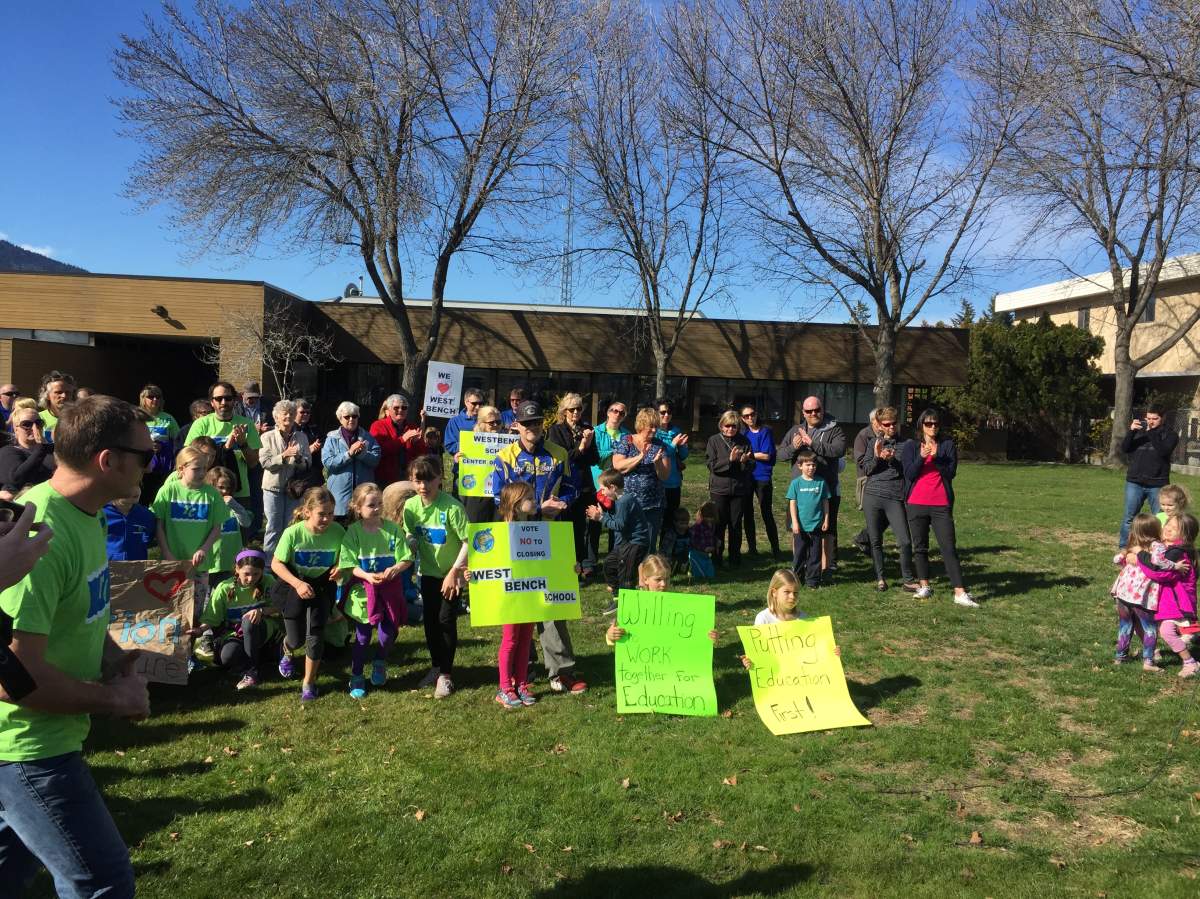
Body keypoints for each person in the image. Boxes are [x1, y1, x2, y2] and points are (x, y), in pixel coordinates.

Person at [0, 395, 152, 898]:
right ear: (108, 461)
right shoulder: (38, 536)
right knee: (101, 881)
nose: (152, 466)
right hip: (27, 747)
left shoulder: (88, 514)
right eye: (145, 456)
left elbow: (82, 608)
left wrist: (114, 657)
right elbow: (13, 677)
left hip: (41, 741)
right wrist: (115, 700)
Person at [489, 400, 586, 694]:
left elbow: (572, 486)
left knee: (551, 601)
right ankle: (521, 671)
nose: (532, 427)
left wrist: (562, 502)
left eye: (536, 422)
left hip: (551, 534)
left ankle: (561, 671)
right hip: (516, 536)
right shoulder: (504, 457)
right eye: (526, 423)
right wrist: (534, 509)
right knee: (519, 604)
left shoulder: (558, 454)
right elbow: (498, 496)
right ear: (517, 425)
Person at [403, 456, 470, 699]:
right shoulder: (410, 506)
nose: (423, 486)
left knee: (445, 620)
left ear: (440, 478)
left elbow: (468, 542)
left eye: (429, 480)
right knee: (430, 622)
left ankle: (446, 675)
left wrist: (455, 571)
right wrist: (409, 544)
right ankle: (435, 666)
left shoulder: (452, 507)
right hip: (427, 574)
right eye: (418, 481)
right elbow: (410, 533)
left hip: (451, 574)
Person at [339, 483, 414, 699]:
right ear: (358, 507)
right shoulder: (353, 532)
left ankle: (380, 661)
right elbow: (348, 563)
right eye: (371, 505)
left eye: (379, 503)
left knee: (388, 632)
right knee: (362, 637)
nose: (377, 508)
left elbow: (406, 558)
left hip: (390, 589)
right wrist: (366, 576)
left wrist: (394, 569)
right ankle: (356, 674)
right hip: (364, 590)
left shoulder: (393, 529)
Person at [271, 486, 346, 703]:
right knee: (297, 639)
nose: (327, 519)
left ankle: (308, 682)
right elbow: (276, 564)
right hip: (295, 584)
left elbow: (346, 557)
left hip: (322, 587)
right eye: (321, 514)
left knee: (315, 636)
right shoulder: (293, 533)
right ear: (307, 512)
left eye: (331, 513)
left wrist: (341, 567)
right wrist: (297, 584)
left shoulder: (338, 531)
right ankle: (287, 648)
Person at [900, 409, 977, 607]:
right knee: (920, 547)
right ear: (921, 425)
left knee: (948, 547)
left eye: (935, 423)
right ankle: (924, 586)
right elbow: (909, 474)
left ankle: (959, 592)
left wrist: (936, 458)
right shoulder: (911, 446)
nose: (933, 427)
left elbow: (951, 473)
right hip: (916, 503)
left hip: (940, 504)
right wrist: (921, 457)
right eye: (928, 423)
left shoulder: (947, 445)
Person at [194, 550, 280, 691]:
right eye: (247, 574)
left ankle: (252, 672)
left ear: (262, 572)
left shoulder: (268, 581)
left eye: (256, 574)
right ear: (237, 569)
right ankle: (264, 655)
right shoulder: (224, 588)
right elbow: (212, 617)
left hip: (262, 629)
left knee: (248, 621)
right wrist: (200, 630)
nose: (251, 579)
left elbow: (281, 605)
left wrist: (262, 611)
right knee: (227, 657)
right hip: (235, 633)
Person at [152, 446, 226, 607]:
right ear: (182, 469)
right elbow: (159, 525)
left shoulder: (212, 494)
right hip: (173, 561)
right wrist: (167, 553)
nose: (202, 473)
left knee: (196, 607)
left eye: (204, 468)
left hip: (199, 564)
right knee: (171, 606)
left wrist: (204, 549)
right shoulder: (168, 490)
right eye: (196, 469)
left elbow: (217, 527)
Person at [855, 406, 917, 593]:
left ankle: (908, 580)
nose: (891, 427)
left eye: (893, 423)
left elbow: (910, 471)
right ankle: (880, 578)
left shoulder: (907, 444)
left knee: (905, 541)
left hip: (894, 497)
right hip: (872, 495)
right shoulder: (873, 442)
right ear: (880, 425)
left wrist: (892, 460)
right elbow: (866, 469)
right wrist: (877, 456)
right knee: (875, 540)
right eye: (887, 424)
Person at [778, 395, 845, 568]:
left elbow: (839, 450)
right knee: (797, 529)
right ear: (803, 413)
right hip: (800, 491)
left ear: (822, 410)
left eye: (817, 410)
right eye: (809, 411)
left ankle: (826, 568)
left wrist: (813, 443)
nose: (813, 413)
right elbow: (780, 455)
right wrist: (793, 447)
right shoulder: (795, 430)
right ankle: (799, 566)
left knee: (826, 530)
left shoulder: (834, 429)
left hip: (825, 489)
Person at [492, 482, 542, 710]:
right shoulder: (499, 532)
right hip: (509, 595)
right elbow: (488, 562)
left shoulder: (535, 529)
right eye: (530, 498)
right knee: (511, 640)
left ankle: (521, 684)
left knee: (525, 639)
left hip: (529, 592)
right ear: (516, 503)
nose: (535, 500)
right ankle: (505, 687)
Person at [1137, 512, 1199, 677]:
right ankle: (1156, 651)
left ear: (1185, 536)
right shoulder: (1169, 548)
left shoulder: (1177, 552)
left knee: (1166, 631)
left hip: (1177, 603)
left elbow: (1159, 573)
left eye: (1175, 528)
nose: (1168, 529)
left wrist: (1140, 555)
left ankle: (1190, 662)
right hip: (1171, 602)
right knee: (1157, 628)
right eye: (1168, 525)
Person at [548, 393, 599, 578]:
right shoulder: (556, 430)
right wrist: (581, 447)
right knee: (565, 526)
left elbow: (595, 459)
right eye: (572, 409)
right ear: (564, 411)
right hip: (565, 485)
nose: (576, 412)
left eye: (579, 408)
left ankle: (583, 562)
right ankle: (566, 564)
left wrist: (588, 445)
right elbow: (562, 457)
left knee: (581, 527)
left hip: (585, 484)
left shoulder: (588, 429)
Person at [188, 381, 262, 508]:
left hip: (238, 492)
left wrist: (242, 443)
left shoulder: (247, 424)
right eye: (218, 399)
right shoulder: (201, 424)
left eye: (228, 398)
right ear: (212, 402)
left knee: (239, 522)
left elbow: (253, 463)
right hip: (205, 489)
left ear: (235, 400)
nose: (223, 402)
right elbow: (191, 458)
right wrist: (225, 447)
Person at [587, 469, 650, 616]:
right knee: (609, 564)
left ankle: (629, 606)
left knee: (626, 574)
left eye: (603, 489)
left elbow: (619, 525)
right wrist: (604, 514)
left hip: (635, 543)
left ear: (612, 487)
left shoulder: (624, 501)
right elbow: (619, 521)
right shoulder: (620, 501)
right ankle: (618, 597)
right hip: (627, 543)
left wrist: (600, 518)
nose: (602, 492)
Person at [1111, 514, 1168, 670]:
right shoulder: (1157, 546)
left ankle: (1120, 657)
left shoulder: (1133, 545)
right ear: (1155, 529)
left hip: (1124, 593)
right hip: (1143, 595)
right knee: (1149, 628)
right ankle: (1148, 661)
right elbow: (1157, 563)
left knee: (1125, 625)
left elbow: (1117, 560)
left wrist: (1126, 555)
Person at [1119, 405, 1179, 548]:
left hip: (1157, 484)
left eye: (1155, 419)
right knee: (1129, 518)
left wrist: (1151, 432)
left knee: (1161, 518)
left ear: (1162, 418)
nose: (1151, 421)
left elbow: (1163, 451)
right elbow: (1125, 449)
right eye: (1148, 418)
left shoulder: (1170, 435)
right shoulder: (1139, 432)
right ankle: (1124, 548)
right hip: (1135, 482)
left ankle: (1161, 548)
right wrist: (1131, 432)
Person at [612, 408, 671, 551]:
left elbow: (664, 476)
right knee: (623, 542)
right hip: (627, 503)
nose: (654, 430)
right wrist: (640, 457)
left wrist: (657, 463)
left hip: (652, 504)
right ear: (641, 425)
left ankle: (645, 566)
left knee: (648, 545)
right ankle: (623, 565)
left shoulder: (660, 446)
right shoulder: (627, 441)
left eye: (656, 426)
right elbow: (618, 466)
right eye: (651, 426)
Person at [260, 400, 311, 554]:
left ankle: (287, 559)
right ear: (276, 417)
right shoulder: (266, 437)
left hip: (294, 490)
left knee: (291, 526)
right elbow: (265, 463)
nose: (288, 416)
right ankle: (268, 561)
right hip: (273, 488)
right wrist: (284, 456)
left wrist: (299, 459)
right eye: (285, 413)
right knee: (273, 526)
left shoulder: (302, 437)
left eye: (292, 413)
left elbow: (308, 463)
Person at [705, 410, 754, 567]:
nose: (730, 429)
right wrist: (729, 460)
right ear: (721, 425)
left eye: (734, 426)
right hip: (719, 490)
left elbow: (752, 465)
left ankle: (734, 559)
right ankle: (717, 559)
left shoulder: (744, 441)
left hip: (739, 490)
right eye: (727, 426)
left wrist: (745, 461)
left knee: (735, 525)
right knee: (719, 525)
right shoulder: (713, 441)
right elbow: (711, 465)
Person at [321, 402, 382, 520]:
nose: (351, 419)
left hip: (364, 499)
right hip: (339, 500)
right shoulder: (331, 439)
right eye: (347, 417)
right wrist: (349, 454)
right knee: (339, 529)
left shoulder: (368, 437)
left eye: (354, 416)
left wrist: (362, 454)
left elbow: (376, 460)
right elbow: (328, 463)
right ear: (340, 419)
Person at [787, 450, 831, 588]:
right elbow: (792, 503)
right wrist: (795, 522)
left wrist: (826, 519)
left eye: (813, 465)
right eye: (808, 465)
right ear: (800, 466)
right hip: (800, 527)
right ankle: (797, 579)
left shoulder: (821, 482)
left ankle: (813, 581)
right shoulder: (796, 483)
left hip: (816, 525)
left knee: (815, 555)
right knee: (799, 554)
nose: (811, 468)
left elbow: (825, 502)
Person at [740, 404, 780, 556]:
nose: (750, 418)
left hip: (762, 477)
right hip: (747, 477)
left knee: (766, 512)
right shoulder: (743, 434)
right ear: (742, 419)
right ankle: (752, 549)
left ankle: (775, 549)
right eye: (746, 416)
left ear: (757, 414)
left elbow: (766, 455)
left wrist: (748, 455)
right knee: (748, 513)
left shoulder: (765, 431)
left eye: (752, 414)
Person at [205, 466, 251, 584]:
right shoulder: (206, 506)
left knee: (228, 592)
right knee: (209, 594)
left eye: (228, 488)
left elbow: (246, 522)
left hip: (231, 563)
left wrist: (234, 505)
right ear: (211, 486)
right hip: (211, 563)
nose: (225, 491)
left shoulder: (233, 507)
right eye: (221, 487)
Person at [654, 399, 690, 550]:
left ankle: (665, 552)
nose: (666, 415)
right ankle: (650, 553)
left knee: (670, 521)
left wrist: (683, 446)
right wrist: (673, 444)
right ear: (656, 413)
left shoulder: (676, 430)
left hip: (674, 482)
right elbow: (658, 454)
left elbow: (683, 456)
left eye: (669, 412)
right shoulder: (653, 431)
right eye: (662, 412)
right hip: (657, 482)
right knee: (656, 520)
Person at [461, 404, 506, 523]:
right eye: (491, 423)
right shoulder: (470, 441)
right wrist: (459, 459)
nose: (496, 425)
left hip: (501, 494)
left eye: (498, 422)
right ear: (481, 423)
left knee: (500, 529)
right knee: (476, 527)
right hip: (478, 492)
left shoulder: (508, 441)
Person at [0, 403, 55, 497]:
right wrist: (41, 448)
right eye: (27, 424)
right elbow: (16, 480)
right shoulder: (8, 452)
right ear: (16, 429)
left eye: (38, 423)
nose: (34, 428)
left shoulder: (52, 450)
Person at [137, 384, 179, 506]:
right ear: (143, 399)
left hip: (162, 467)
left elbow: (178, 441)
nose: (155, 399)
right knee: (142, 499)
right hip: (142, 466)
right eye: (151, 397)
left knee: (159, 498)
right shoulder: (137, 416)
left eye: (158, 397)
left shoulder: (168, 418)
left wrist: (163, 446)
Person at [370, 394, 414, 487]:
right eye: (396, 408)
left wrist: (417, 443)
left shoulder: (412, 427)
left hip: (408, 477)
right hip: (385, 479)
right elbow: (379, 451)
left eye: (404, 408)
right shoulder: (378, 425)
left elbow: (421, 454)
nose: (400, 410)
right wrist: (402, 439)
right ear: (388, 410)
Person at [104, 485, 157, 562]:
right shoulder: (102, 513)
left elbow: (150, 537)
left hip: (138, 566)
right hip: (107, 566)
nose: (136, 490)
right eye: (129, 485)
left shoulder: (146, 515)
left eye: (138, 484)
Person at [591, 400, 630, 498]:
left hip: (618, 481)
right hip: (599, 480)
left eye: (622, 413)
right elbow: (595, 455)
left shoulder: (627, 435)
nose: (618, 414)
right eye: (615, 411)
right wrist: (614, 452)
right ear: (608, 412)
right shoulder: (596, 432)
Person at [443, 388, 483, 473]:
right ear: (466, 402)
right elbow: (450, 445)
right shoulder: (455, 421)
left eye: (480, 403)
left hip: (484, 468)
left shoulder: (487, 420)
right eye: (474, 403)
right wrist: (471, 444)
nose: (478, 407)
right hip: (462, 467)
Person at [36, 370, 76, 444]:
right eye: (58, 392)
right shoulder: (38, 418)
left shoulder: (79, 419)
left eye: (68, 392)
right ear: (47, 395)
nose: (64, 396)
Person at [689, 501, 717, 579]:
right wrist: (703, 548)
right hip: (696, 553)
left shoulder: (712, 525)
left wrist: (716, 541)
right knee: (699, 574)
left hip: (706, 554)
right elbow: (693, 541)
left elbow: (711, 537)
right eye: (707, 516)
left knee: (711, 574)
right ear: (701, 515)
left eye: (711, 517)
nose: (709, 519)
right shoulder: (697, 526)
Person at [664, 507, 692, 577]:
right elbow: (666, 549)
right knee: (671, 566)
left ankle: (683, 568)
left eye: (686, 523)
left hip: (684, 556)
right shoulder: (671, 534)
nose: (684, 526)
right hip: (672, 556)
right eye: (681, 523)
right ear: (675, 522)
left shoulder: (689, 532)